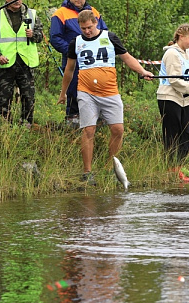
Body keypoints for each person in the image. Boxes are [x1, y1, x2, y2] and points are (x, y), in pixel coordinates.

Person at [57, 10, 153, 184]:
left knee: (118, 130)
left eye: (90, 27)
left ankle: (111, 169)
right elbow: (69, 70)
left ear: (96, 23)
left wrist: (142, 71)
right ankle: (87, 172)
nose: (87, 31)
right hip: (86, 92)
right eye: (83, 28)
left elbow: (127, 57)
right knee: (88, 130)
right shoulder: (75, 43)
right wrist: (63, 93)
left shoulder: (110, 37)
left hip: (109, 92)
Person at [50, 0, 107, 128]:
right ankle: (72, 123)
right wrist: (73, 51)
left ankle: (96, 122)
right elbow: (55, 38)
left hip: (94, 60)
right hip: (73, 60)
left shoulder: (94, 12)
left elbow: (104, 32)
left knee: (95, 88)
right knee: (74, 89)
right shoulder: (60, 13)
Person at [0, 0, 44, 126]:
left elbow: (40, 36)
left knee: (28, 96)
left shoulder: (31, 14)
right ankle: (3, 124)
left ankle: (26, 124)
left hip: (26, 62)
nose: (16, 0)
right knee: (3, 96)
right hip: (5, 62)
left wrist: (34, 35)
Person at [157, 24, 189, 182]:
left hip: (184, 99)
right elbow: (173, 80)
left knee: (186, 134)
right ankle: (172, 168)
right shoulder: (171, 53)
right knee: (173, 134)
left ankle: (181, 165)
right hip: (169, 97)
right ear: (181, 36)